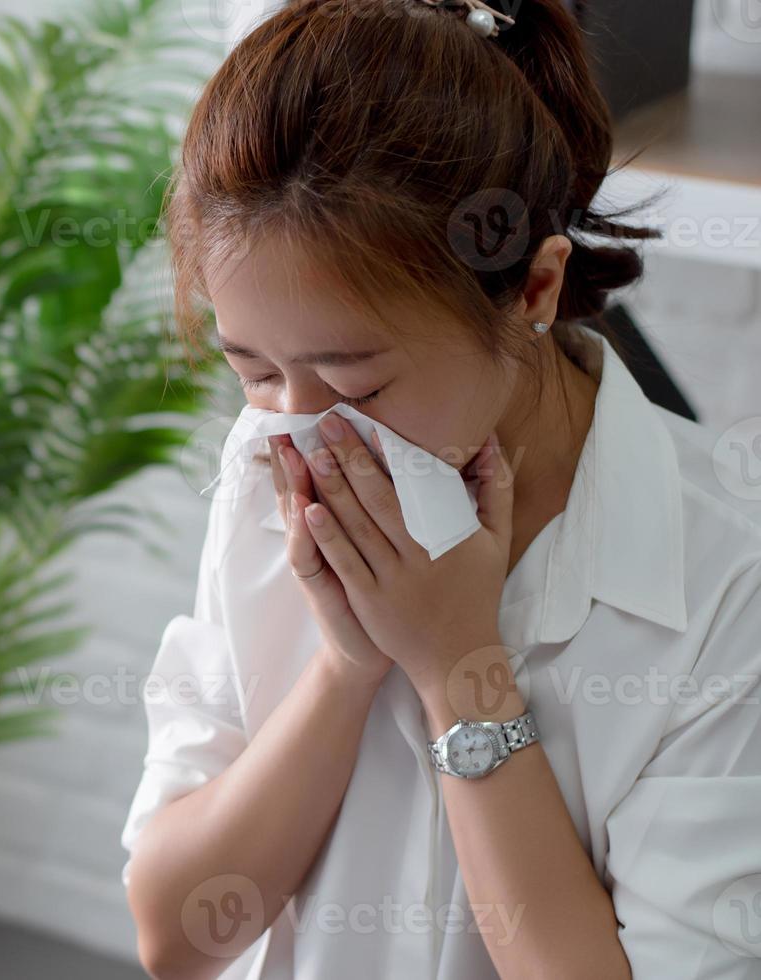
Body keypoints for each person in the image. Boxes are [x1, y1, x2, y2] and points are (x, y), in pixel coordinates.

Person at [120, 1, 761, 977]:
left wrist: (460, 665)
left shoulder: (728, 578)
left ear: (536, 291)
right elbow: (175, 931)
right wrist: (345, 664)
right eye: (252, 368)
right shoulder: (267, 471)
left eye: (356, 383)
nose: (300, 426)